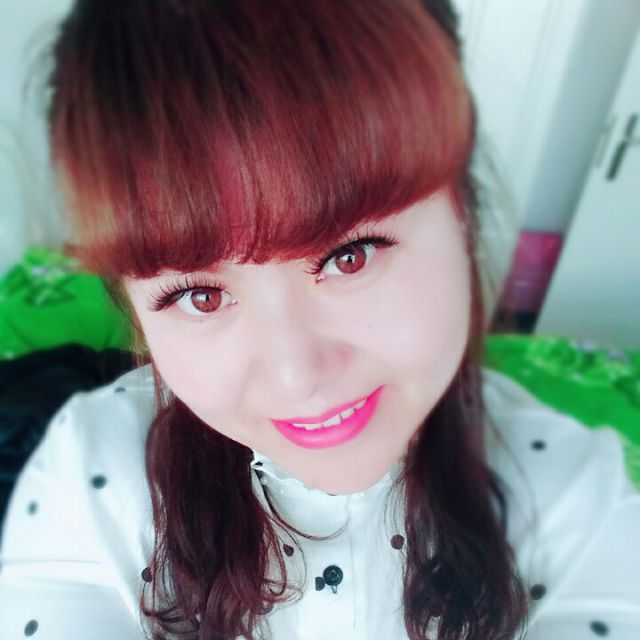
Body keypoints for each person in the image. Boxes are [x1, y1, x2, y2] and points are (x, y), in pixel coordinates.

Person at [1, 1, 639, 639]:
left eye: (349, 256)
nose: (296, 376)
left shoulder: (575, 495)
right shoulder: (89, 479)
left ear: (461, 211)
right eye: (200, 296)